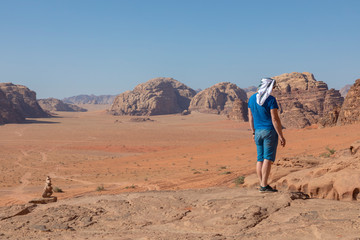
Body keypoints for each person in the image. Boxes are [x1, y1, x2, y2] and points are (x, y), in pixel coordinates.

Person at [248, 78, 286, 193]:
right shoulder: (270, 100)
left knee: (259, 159)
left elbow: (250, 117)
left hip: (258, 132)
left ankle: (262, 184)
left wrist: (253, 132)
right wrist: (281, 135)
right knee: (267, 159)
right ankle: (264, 185)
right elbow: (275, 119)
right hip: (269, 131)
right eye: (273, 87)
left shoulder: (252, 98)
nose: (273, 89)